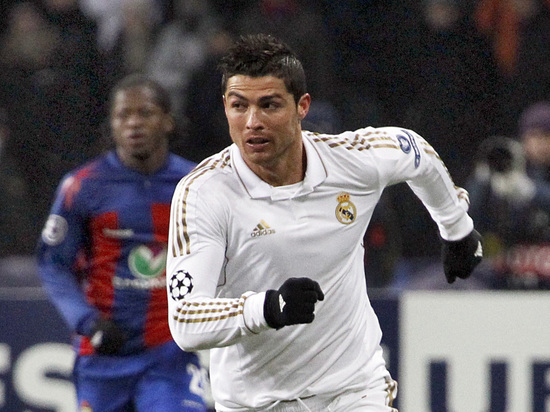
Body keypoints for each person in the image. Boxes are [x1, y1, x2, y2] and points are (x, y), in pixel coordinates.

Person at [166, 34, 483, 412]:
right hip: (254, 403)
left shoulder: (349, 162)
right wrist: (268, 308)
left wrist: (456, 228)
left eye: (269, 105)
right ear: (225, 106)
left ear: (302, 106)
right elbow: (185, 321)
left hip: (353, 392)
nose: (252, 122)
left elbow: (415, 152)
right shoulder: (204, 193)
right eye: (239, 106)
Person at [37, 74, 209, 411]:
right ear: (112, 125)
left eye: (145, 113)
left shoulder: (197, 184)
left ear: (168, 121)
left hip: (170, 355)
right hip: (103, 356)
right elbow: (53, 264)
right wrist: (88, 322)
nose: (133, 123)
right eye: (123, 115)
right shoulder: (83, 186)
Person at [467, 101, 550, 289]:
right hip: (507, 272)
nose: (540, 144)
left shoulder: (528, 182)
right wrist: (483, 178)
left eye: (546, 136)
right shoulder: (512, 169)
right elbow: (469, 218)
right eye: (534, 136)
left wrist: (532, 191)